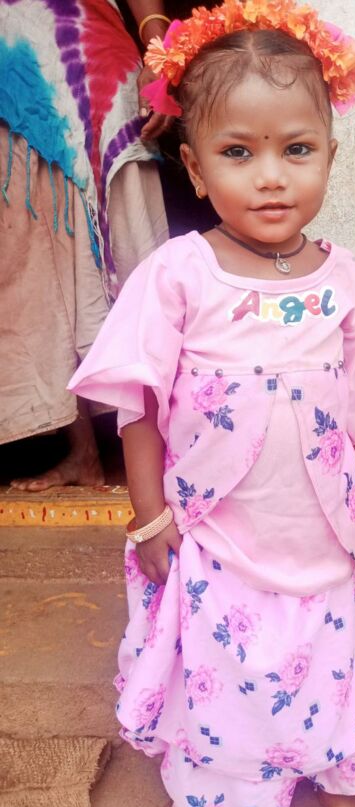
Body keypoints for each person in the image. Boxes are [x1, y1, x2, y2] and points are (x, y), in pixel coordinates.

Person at [69, 2, 355, 807]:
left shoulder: (348, 282)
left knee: (327, 655)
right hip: (215, 532)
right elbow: (139, 405)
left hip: (317, 530)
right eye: (238, 152)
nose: (271, 177)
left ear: (330, 155)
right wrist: (150, 518)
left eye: (297, 150)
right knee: (224, 666)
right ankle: (218, 794)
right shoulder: (178, 276)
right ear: (193, 167)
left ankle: (337, 775)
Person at [0, 0, 169, 490]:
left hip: (94, 67)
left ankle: (171, 454)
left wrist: (160, 51)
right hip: (15, 76)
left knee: (132, 264)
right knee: (41, 262)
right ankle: (85, 453)